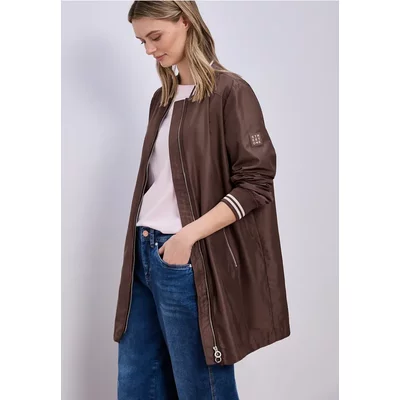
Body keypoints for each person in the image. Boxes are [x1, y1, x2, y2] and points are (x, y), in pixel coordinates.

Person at [114, 1, 291, 399]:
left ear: (185, 21)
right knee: (137, 384)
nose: (149, 50)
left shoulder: (231, 92)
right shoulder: (162, 100)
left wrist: (186, 238)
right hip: (143, 256)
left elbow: (256, 182)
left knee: (202, 387)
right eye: (142, 41)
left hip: (184, 258)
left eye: (155, 36)